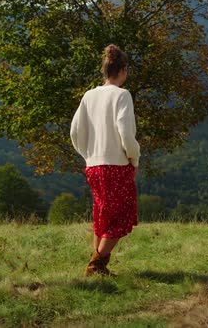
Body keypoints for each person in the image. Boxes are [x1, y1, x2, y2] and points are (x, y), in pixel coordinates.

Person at [70, 44, 141, 276]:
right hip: (117, 165)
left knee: (102, 213)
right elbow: (125, 131)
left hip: (94, 165)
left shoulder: (89, 95)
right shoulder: (122, 95)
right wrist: (134, 157)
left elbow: (74, 130)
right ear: (123, 70)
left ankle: (98, 266)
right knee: (121, 215)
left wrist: (87, 154)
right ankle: (96, 264)